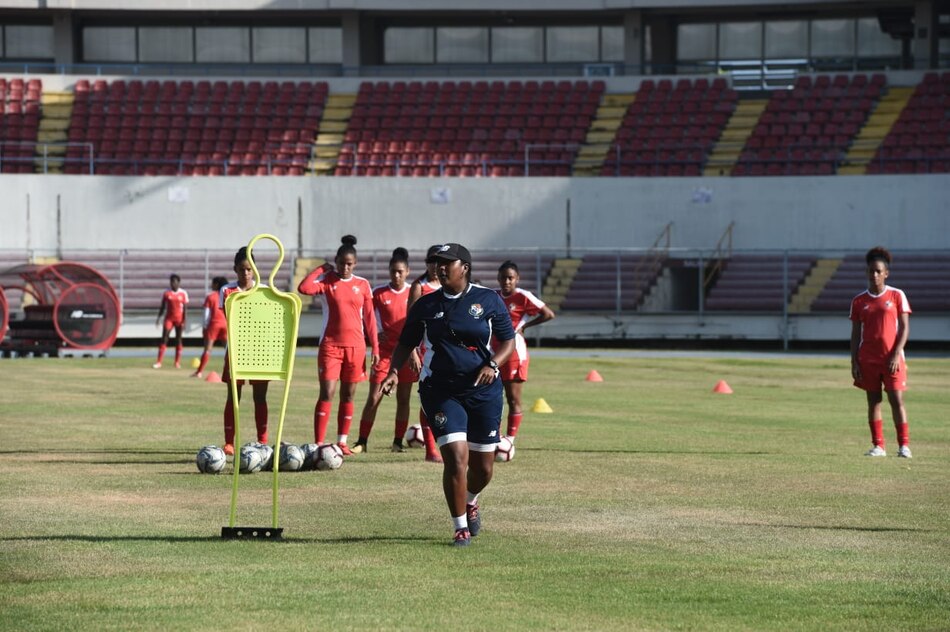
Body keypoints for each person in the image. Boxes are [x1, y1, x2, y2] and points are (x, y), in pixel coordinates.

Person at [380, 243, 515, 547]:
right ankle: (460, 527)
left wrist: (493, 364)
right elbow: (406, 343)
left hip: (483, 391)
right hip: (440, 390)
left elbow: (508, 341)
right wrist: (393, 371)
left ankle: (470, 500)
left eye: (446, 263)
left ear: (464, 267)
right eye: (436, 263)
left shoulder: (488, 299)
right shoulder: (425, 305)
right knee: (455, 458)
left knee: (483, 468)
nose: (439, 268)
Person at [298, 235, 379, 456]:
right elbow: (304, 288)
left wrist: (375, 348)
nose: (345, 267)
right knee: (327, 392)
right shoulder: (327, 281)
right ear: (336, 261)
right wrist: (320, 269)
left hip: (356, 348)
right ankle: (318, 443)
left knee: (348, 395)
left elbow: (370, 319)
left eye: (349, 264)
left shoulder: (362, 284)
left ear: (355, 263)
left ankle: (342, 441)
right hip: (331, 347)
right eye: (341, 263)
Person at [351, 247, 421, 454]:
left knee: (404, 399)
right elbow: (367, 315)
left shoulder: (413, 292)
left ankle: (397, 442)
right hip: (384, 354)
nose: (396, 275)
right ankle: (362, 441)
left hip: (406, 353)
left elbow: (417, 322)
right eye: (393, 271)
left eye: (400, 271)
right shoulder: (379, 293)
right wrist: (376, 332)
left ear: (407, 271)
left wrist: (414, 349)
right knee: (374, 397)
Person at [850, 246, 912, 459]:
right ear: (866, 272)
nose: (874, 274)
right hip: (868, 359)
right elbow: (855, 335)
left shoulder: (896, 295)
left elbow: (904, 328)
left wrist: (896, 353)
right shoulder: (859, 301)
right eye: (871, 271)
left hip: (892, 359)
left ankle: (904, 446)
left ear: (886, 273)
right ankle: (878, 446)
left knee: (896, 400)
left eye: (878, 271)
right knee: (873, 401)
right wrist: (854, 362)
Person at [495, 260, 556, 442]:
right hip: (493, 351)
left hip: (514, 352)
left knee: (513, 398)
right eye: (503, 278)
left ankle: (510, 440)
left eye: (510, 278)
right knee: (492, 398)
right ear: (498, 278)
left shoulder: (523, 296)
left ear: (517, 279)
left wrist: (525, 326)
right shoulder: (493, 296)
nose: (507, 281)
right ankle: (494, 437)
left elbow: (548, 314)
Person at [220, 248, 269, 456]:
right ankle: (229, 442)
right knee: (233, 397)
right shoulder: (227, 291)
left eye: (250, 269)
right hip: (236, 351)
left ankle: (262, 440)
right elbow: (231, 317)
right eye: (242, 269)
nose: (246, 273)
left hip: (259, 351)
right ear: (235, 269)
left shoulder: (265, 290)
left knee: (260, 397)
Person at [406, 244, 446, 462]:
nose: (435, 265)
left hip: (448, 351)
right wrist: (412, 350)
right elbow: (411, 322)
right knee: (428, 398)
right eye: (431, 261)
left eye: (439, 261)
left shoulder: (451, 285)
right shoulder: (419, 286)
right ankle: (431, 450)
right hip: (425, 351)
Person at [192, 276, 229, 379]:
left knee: (207, 349)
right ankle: (230, 371)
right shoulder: (227, 296)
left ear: (216, 284)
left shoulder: (210, 297)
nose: (211, 285)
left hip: (214, 324)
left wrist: (205, 326)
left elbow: (206, 314)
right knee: (228, 350)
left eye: (213, 283)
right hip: (225, 324)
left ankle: (199, 372)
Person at [153, 273, 188, 369]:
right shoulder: (166, 293)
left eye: (174, 282)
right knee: (164, 338)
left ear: (178, 283)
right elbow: (163, 307)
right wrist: (159, 318)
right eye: (171, 282)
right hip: (169, 319)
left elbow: (185, 309)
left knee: (178, 339)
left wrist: (184, 321)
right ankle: (159, 362)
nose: (172, 284)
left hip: (179, 319)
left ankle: (177, 362)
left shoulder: (183, 293)